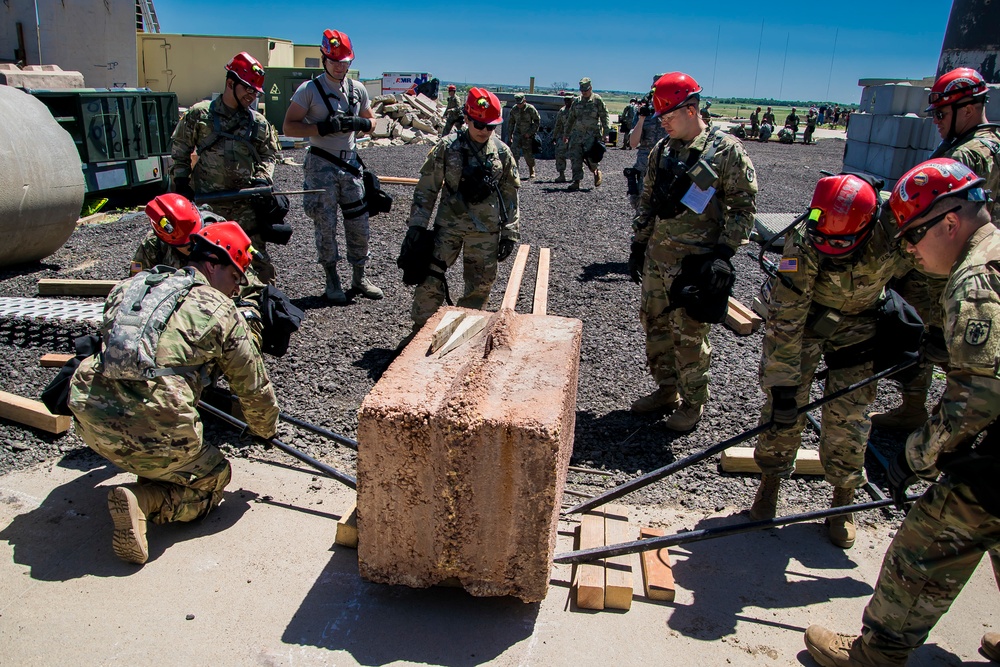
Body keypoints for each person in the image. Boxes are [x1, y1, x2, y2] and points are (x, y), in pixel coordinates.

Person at [803, 157, 1000, 667]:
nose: (908, 249)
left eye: (915, 235)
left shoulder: (974, 280)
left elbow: (973, 404)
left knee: (926, 546)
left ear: (950, 222)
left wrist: (914, 458)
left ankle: (876, 653)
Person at [68, 221, 279, 565]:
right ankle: (146, 500)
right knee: (214, 477)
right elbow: (254, 390)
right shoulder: (219, 309)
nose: (236, 290)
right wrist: (265, 431)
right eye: (236, 278)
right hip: (158, 429)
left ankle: (150, 468)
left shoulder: (131, 287)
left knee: (158, 443)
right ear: (213, 264)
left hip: (92, 422)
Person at [750, 174, 907, 548]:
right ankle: (770, 483)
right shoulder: (804, 241)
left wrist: (917, 325)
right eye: (825, 240)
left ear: (867, 227)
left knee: (851, 411)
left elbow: (924, 272)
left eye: (842, 242)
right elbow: (786, 318)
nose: (830, 246)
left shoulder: (894, 230)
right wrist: (785, 386)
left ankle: (842, 499)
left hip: (862, 321)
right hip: (809, 318)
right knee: (783, 407)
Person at [872, 67, 1000, 432]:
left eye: (942, 115)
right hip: (977, 256)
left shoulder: (970, 154)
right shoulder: (992, 143)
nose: (937, 124)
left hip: (945, 263)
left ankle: (931, 416)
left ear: (969, 109)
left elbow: (927, 212)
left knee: (922, 334)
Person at [628, 72, 757, 431]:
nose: (663, 122)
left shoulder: (726, 151)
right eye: (660, 117)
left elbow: (744, 208)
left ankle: (693, 402)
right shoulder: (662, 150)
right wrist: (639, 244)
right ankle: (666, 390)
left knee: (688, 334)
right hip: (658, 259)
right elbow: (648, 201)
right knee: (655, 327)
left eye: (669, 115)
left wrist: (723, 253)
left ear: (692, 108)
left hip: (695, 264)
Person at [403, 87, 520, 331]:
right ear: (467, 118)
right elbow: (427, 189)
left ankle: (463, 335)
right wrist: (417, 226)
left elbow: (510, 193)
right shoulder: (447, 147)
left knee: (479, 287)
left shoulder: (501, 152)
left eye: (491, 126)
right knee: (430, 278)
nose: (485, 131)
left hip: (485, 232)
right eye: (479, 124)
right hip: (449, 228)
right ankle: (420, 332)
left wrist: (510, 232)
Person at [282, 29, 380, 305]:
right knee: (325, 224)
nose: (340, 66)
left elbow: (371, 121)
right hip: (321, 164)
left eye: (345, 61)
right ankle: (331, 278)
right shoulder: (309, 91)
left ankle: (359, 276)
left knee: (359, 223)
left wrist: (360, 124)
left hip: (349, 163)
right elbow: (289, 126)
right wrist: (321, 127)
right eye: (334, 61)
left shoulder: (357, 89)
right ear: (324, 59)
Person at [169, 52, 281, 285]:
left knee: (256, 269)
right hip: (207, 209)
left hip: (245, 212)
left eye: (255, 91)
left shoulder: (257, 123)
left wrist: (262, 179)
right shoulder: (200, 115)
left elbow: (269, 155)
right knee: (206, 265)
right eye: (248, 89)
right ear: (230, 83)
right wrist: (181, 183)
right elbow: (179, 151)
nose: (252, 95)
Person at [131, 193, 267, 351]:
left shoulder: (221, 236)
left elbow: (249, 290)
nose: (193, 248)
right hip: (176, 313)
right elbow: (138, 286)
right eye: (187, 246)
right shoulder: (153, 246)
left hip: (223, 308)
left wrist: (247, 334)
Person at [627, 89, 668, 213]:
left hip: (667, 168)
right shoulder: (644, 112)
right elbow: (633, 143)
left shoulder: (673, 113)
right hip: (646, 168)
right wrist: (641, 119)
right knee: (642, 209)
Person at [565, 77, 609, 191]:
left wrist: (606, 133)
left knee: (591, 158)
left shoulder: (597, 100)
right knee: (575, 157)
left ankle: (596, 171)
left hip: (592, 135)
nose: (584, 93)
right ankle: (576, 181)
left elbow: (604, 116)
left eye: (586, 90)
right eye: (582, 91)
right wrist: (566, 134)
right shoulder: (577, 102)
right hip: (577, 135)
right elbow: (570, 119)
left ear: (591, 88)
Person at [508, 92, 540, 179]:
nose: (519, 105)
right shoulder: (514, 110)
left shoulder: (530, 109)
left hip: (527, 135)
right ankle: (515, 172)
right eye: (517, 103)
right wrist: (510, 135)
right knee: (514, 153)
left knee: (528, 154)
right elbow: (511, 123)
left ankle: (531, 169)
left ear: (524, 101)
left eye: (520, 103)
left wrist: (530, 133)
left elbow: (536, 121)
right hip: (517, 134)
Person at [552, 93, 574, 183]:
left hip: (574, 137)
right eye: (565, 100)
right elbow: (558, 125)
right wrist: (555, 136)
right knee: (559, 154)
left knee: (575, 157)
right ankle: (561, 175)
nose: (567, 102)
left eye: (569, 100)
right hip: (563, 136)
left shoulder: (576, 110)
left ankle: (576, 177)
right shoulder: (562, 111)